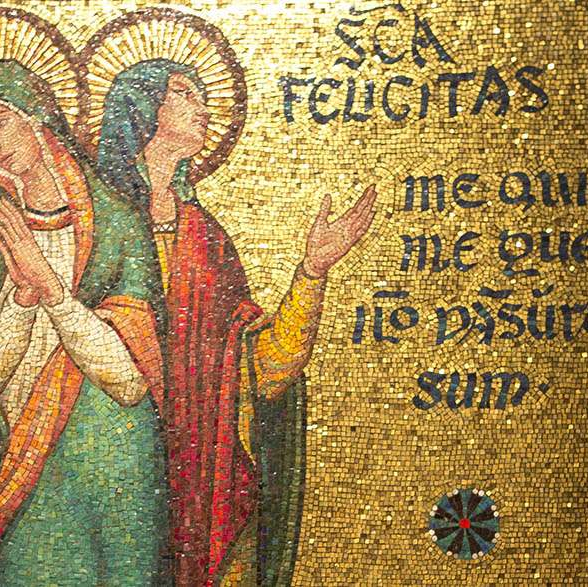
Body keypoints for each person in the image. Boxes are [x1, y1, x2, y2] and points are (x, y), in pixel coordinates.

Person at [95, 59, 377, 586]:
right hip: (109, 475)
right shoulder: (93, 225)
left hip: (201, 472)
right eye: (184, 94)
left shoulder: (205, 238)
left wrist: (312, 271)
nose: (203, 109)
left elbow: (259, 366)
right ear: (142, 107)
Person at [0, 59, 170, 586]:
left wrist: (55, 295)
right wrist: (20, 298)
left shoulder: (119, 224)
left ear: (34, 115)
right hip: (22, 472)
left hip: (111, 472)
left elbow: (131, 381)